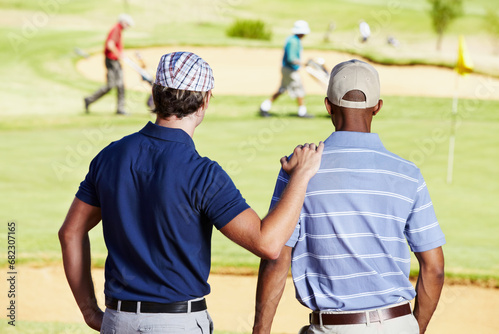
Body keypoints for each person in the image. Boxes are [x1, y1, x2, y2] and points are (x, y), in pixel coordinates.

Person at [59, 51, 324, 333]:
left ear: (156, 93)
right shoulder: (203, 174)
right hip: (176, 322)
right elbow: (268, 244)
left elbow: (70, 232)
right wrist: (301, 175)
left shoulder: (109, 157)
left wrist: (90, 312)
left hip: (117, 320)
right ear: (205, 99)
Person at [253, 59, 446, 334]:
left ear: (328, 106)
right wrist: (414, 328)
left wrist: (260, 330)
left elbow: (276, 258)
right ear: (377, 107)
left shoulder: (299, 168)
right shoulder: (408, 174)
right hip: (398, 325)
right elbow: (434, 268)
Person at [260, 20, 313, 118]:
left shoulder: (292, 39)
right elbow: (291, 58)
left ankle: (264, 106)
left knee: (282, 89)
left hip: (286, 69)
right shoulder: (293, 41)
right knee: (299, 88)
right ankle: (302, 112)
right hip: (290, 70)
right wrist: (303, 63)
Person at [84, 14, 134, 115]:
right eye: (127, 24)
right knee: (111, 85)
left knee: (120, 85)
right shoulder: (116, 29)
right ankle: (89, 99)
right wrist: (119, 55)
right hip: (112, 61)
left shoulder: (118, 30)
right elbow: (110, 45)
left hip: (114, 60)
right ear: (123, 22)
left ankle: (120, 109)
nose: (127, 27)